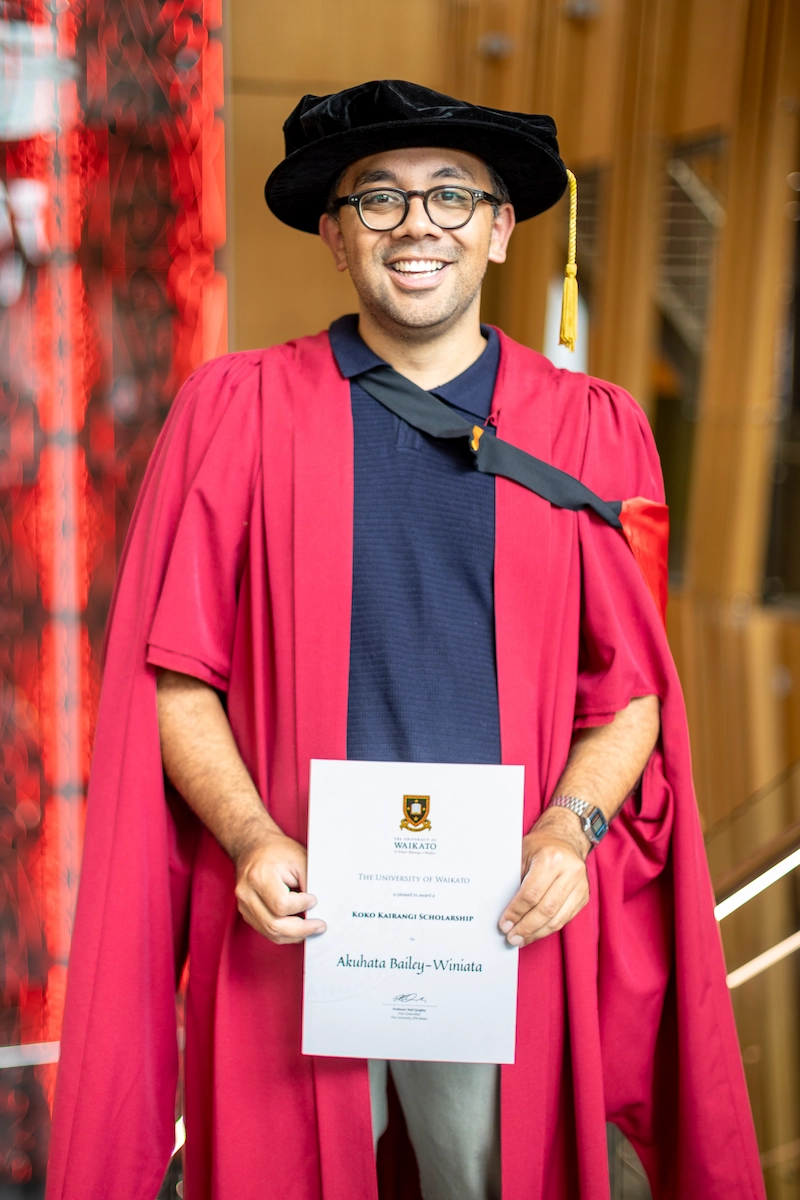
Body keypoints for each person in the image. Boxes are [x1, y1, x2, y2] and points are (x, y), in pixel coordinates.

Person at [46, 80, 765, 1200]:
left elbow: (629, 693)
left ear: (500, 228)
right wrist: (249, 838)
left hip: (497, 920)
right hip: (296, 912)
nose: (416, 223)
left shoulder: (590, 429)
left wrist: (571, 830)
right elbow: (178, 677)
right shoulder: (240, 412)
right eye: (376, 199)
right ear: (335, 237)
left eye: (450, 195)